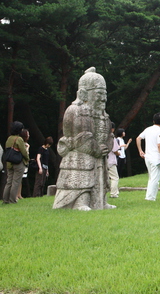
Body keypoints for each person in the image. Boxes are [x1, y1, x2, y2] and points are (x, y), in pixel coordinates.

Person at [53, 67, 115, 211]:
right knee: (82, 179)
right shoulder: (75, 110)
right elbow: (81, 137)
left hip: (99, 157)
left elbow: (108, 134)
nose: (103, 98)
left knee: (99, 178)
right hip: (80, 156)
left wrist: (106, 145)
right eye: (99, 93)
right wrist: (95, 149)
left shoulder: (103, 114)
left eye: (104, 94)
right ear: (84, 93)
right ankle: (80, 202)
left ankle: (100, 201)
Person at [136, 113, 160, 201]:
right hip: (156, 158)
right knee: (155, 179)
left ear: (153, 121)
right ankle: (150, 197)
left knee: (151, 177)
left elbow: (138, 138)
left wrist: (140, 150)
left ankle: (150, 196)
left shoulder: (148, 129)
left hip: (147, 157)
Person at [3, 121, 29, 204]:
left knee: (9, 181)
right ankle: (12, 200)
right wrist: (27, 158)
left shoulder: (9, 138)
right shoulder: (19, 139)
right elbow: (23, 152)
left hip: (9, 163)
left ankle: (5, 200)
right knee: (16, 182)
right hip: (18, 162)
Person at [108, 124, 121, 198]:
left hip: (103, 160)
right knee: (114, 177)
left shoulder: (101, 136)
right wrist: (118, 153)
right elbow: (115, 150)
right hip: (111, 160)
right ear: (112, 129)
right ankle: (113, 193)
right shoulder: (111, 137)